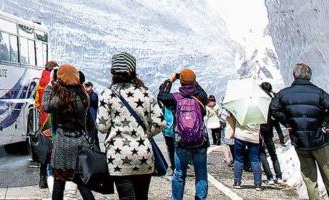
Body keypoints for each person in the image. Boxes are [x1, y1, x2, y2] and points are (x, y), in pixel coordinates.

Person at [97, 52, 165, 200]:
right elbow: (160, 122)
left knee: (126, 196)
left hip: (118, 155)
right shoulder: (145, 93)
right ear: (132, 70)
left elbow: (102, 127)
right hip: (143, 153)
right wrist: (147, 134)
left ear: (113, 71)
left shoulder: (107, 95)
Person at [270, 63, 329, 200]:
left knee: (309, 178)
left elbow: (274, 108)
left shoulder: (284, 94)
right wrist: (326, 124)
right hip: (320, 140)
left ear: (294, 76)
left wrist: (287, 122)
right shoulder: (318, 92)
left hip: (300, 141)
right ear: (309, 77)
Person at [43, 64, 98, 200]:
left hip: (63, 144)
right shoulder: (84, 96)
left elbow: (46, 106)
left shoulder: (60, 98)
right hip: (80, 142)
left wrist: (50, 85)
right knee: (82, 182)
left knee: (59, 184)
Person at [158, 69, 210, 200]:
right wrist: (192, 81)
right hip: (200, 141)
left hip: (182, 142)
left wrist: (170, 80)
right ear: (194, 81)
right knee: (201, 174)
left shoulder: (174, 98)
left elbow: (161, 95)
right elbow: (202, 92)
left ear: (181, 82)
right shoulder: (201, 97)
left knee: (179, 174)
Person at [34, 59, 58, 188]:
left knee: (44, 149)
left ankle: (42, 178)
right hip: (55, 120)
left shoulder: (40, 83)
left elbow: (37, 101)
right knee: (55, 148)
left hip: (43, 121)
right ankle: (55, 177)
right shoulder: (56, 82)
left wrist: (42, 112)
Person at [225, 109, 262, 189]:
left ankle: (237, 182)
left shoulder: (240, 107)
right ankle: (258, 184)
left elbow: (231, 117)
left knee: (238, 158)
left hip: (240, 135)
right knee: (255, 159)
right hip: (254, 136)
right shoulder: (259, 108)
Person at [258, 82, 287, 184]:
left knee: (262, 154)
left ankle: (269, 177)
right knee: (273, 153)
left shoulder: (258, 99)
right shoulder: (272, 98)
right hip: (269, 128)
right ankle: (279, 176)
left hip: (260, 129)